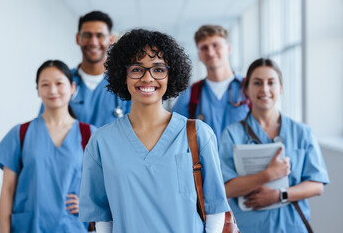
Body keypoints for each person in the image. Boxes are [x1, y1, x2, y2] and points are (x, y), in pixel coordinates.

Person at [79, 29, 230, 233]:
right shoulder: (101, 141)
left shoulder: (198, 135)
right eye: (136, 69)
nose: (147, 78)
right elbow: (103, 219)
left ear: (171, 75)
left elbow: (215, 210)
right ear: (123, 75)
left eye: (158, 69)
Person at [219, 58, 329, 232]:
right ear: (247, 89)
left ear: (281, 88)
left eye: (271, 82)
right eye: (257, 83)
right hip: (251, 227)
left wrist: (280, 195)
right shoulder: (232, 134)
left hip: (292, 226)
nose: (264, 89)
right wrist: (268, 175)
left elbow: (317, 185)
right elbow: (225, 188)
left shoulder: (302, 133)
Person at [0, 60, 96, 232]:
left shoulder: (90, 134)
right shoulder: (20, 133)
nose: (52, 90)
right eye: (45, 85)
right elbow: (8, 190)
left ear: (72, 87)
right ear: (38, 91)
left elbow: (107, 186)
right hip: (29, 227)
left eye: (59, 83)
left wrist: (89, 205)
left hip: (71, 227)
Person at [39, 11, 131, 127]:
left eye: (100, 35)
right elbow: (43, 128)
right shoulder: (61, 81)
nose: (93, 42)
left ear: (111, 39)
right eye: (87, 35)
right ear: (78, 38)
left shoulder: (125, 84)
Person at [172, 25, 249, 146]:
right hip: (205, 165)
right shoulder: (190, 95)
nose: (210, 52)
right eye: (204, 47)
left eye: (215, 45)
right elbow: (174, 135)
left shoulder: (249, 89)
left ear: (228, 48)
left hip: (245, 164)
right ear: (199, 55)